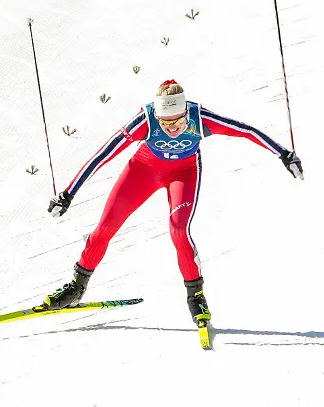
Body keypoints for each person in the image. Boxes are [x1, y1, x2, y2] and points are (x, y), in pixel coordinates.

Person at [42, 79, 304, 326]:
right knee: (106, 227)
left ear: (185, 113)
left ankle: (196, 297)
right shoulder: (145, 120)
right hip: (142, 170)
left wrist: (284, 154)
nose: (171, 128)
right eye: (164, 122)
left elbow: (245, 130)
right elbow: (104, 154)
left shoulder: (200, 119)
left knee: (179, 230)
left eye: (177, 121)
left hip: (183, 174)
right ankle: (76, 287)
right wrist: (68, 193)